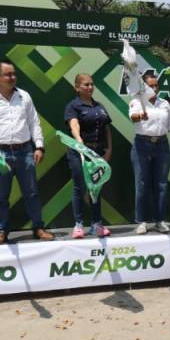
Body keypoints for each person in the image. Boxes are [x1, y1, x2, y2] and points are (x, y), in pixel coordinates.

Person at [0, 61, 54, 245]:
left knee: (31, 192)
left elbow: (34, 122)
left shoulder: (24, 96)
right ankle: (1, 230)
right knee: (1, 195)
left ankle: (38, 227)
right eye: (8, 74)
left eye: (14, 74)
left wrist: (39, 146)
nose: (12, 77)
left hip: (25, 150)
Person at [64, 73, 113, 238]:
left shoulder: (99, 106)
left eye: (92, 84)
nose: (90, 87)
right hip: (79, 153)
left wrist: (108, 150)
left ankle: (96, 224)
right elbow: (74, 124)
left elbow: (107, 129)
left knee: (96, 188)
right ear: (77, 87)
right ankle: (78, 225)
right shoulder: (73, 106)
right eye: (86, 85)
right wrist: (79, 141)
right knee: (80, 187)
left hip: (98, 152)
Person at [129, 71, 170, 235]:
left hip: (162, 145)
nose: (154, 88)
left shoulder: (165, 104)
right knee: (142, 184)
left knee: (161, 184)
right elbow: (133, 118)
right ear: (144, 87)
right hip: (142, 145)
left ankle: (159, 220)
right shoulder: (137, 101)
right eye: (151, 85)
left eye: (156, 85)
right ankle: (141, 221)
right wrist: (141, 115)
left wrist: (158, 133)